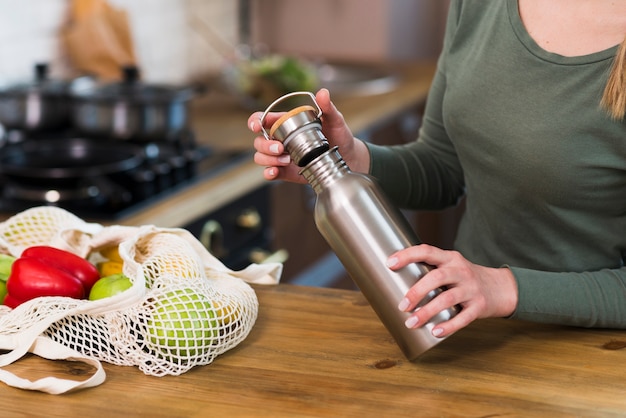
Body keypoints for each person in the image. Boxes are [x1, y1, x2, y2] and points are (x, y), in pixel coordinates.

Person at [248, 0, 626, 339]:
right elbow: (444, 166)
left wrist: (502, 288)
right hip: (470, 331)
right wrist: (349, 161)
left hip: (591, 353)